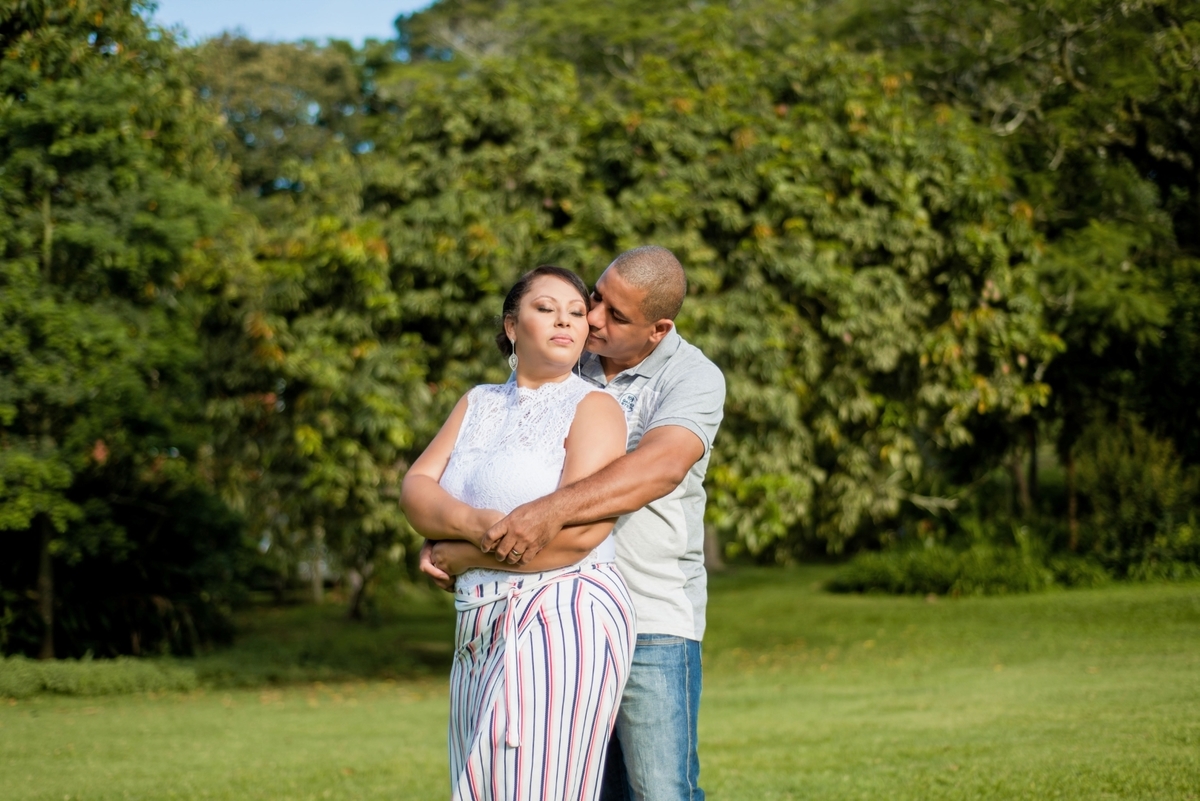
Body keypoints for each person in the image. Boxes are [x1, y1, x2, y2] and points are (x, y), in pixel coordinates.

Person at [453, 245, 726, 801]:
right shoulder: (567, 357)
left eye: (615, 316)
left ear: (658, 328)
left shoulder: (692, 376)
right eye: (595, 298)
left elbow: (659, 467)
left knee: (659, 792)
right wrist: (455, 536)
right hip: (552, 617)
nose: (592, 318)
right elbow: (501, 459)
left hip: (653, 615)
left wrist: (545, 513)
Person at [400, 265, 636, 801]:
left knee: (538, 788)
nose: (566, 321)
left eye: (577, 312)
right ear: (511, 326)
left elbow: (578, 538)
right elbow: (417, 487)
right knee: (479, 787)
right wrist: (477, 528)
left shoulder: (594, 407)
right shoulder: (477, 402)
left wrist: (459, 555)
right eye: (546, 308)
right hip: (478, 620)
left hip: (563, 611)